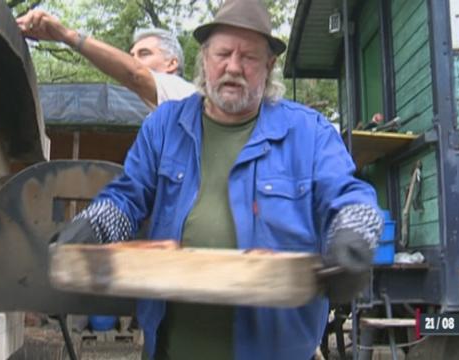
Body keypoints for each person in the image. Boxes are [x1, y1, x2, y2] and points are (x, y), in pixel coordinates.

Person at [52, 0, 383, 359]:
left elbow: (349, 197)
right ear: (204, 59)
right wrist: (92, 227)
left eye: (250, 57)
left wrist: (353, 238)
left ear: (269, 66)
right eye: (223, 53)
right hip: (172, 349)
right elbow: (128, 197)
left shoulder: (309, 132)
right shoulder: (165, 126)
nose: (234, 67)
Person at [17, 10, 195, 108]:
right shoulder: (156, 116)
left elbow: (136, 75)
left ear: (172, 63)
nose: (134, 61)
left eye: (145, 53)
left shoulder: (183, 93)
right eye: (131, 55)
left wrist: (67, 36)